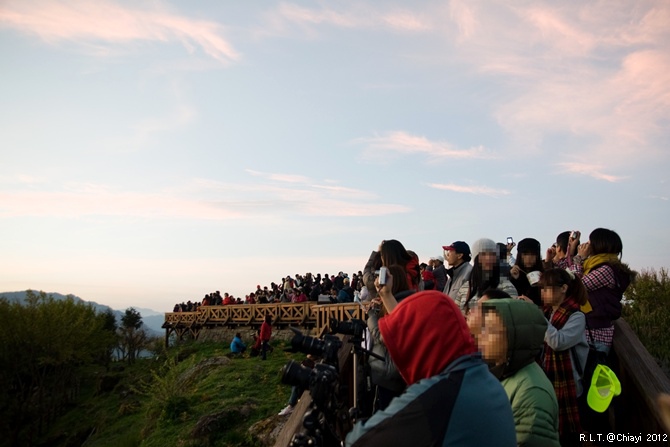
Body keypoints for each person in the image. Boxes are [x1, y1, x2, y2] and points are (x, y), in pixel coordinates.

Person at [345, 284, 517, 446]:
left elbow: (358, 441)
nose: (401, 354)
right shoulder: (481, 376)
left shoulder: (440, 393)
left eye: (406, 344)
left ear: (423, 343)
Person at [474, 298, 560, 447]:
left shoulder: (532, 394)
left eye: (491, 330)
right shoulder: (502, 371)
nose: (481, 337)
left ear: (516, 337)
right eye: (483, 328)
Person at [540, 268, 589, 446]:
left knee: (569, 437)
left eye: (547, 288)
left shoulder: (576, 316)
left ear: (564, 288)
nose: (543, 293)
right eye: (542, 288)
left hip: (569, 384)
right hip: (549, 379)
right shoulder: (549, 312)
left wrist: (539, 318)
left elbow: (558, 342)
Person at [456, 238, 518, 315]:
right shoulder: (465, 287)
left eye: (492, 254)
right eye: (483, 254)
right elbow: (455, 314)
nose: (488, 258)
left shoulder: (506, 286)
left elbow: (513, 315)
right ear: (476, 258)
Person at [510, 238, 544, 307]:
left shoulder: (544, 274)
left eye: (533, 254)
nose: (529, 258)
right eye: (525, 254)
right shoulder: (513, 273)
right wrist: (513, 279)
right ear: (520, 255)